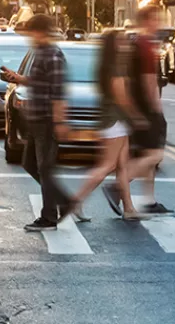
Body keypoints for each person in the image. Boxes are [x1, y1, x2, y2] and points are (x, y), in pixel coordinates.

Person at [2, 14, 72, 231]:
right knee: (30, 164)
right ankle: (63, 200)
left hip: (47, 120)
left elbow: (58, 91)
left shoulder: (52, 55)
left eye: (31, 32)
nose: (28, 37)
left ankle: (49, 217)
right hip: (36, 120)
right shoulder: (41, 52)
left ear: (40, 32)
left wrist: (59, 123)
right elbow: (39, 81)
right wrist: (18, 78)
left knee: (45, 168)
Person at [71, 30, 148, 221]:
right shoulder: (115, 67)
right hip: (115, 120)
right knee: (108, 165)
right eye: (121, 40)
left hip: (114, 120)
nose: (125, 43)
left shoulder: (107, 65)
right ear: (114, 45)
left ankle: (129, 208)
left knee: (122, 166)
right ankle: (75, 201)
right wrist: (137, 116)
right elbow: (121, 97)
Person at [113, 6, 171, 216]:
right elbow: (148, 81)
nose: (159, 23)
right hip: (147, 109)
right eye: (156, 19)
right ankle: (118, 186)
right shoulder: (146, 46)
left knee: (146, 153)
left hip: (134, 107)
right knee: (155, 155)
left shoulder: (134, 43)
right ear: (147, 21)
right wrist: (155, 109)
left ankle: (149, 199)